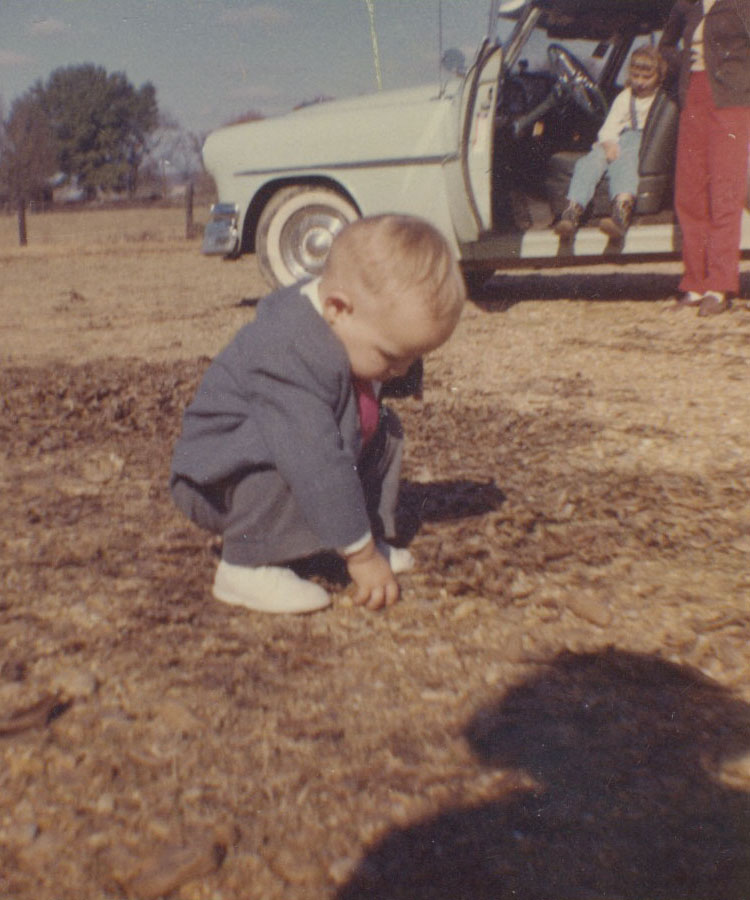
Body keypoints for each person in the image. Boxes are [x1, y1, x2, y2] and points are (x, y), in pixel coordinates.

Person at [169, 214, 466, 615]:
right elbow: (315, 460)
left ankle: (344, 536)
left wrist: (361, 540)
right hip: (220, 480)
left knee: (383, 431)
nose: (401, 371)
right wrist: (361, 559)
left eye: (415, 358)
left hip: (289, 449)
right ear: (338, 308)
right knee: (300, 453)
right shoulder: (285, 349)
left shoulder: (348, 328)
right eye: (394, 356)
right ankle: (246, 565)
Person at [660, 0, 750, 317]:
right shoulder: (685, 5)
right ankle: (695, 284)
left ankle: (720, 285)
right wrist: (680, 71)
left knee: (725, 192)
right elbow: (666, 46)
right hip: (692, 99)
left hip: (732, 102)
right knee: (690, 193)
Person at [555, 44, 667, 240]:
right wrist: (608, 144)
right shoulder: (625, 97)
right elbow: (609, 127)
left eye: (646, 77)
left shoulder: (661, 98)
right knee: (588, 162)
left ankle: (621, 213)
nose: (639, 82)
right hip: (618, 138)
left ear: (659, 75)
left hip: (642, 140)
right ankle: (572, 212)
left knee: (624, 162)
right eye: (635, 76)